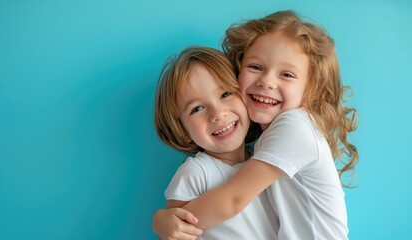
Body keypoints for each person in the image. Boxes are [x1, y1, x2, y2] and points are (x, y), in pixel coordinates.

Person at [153, 10, 358, 240]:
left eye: (287, 74)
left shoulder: (295, 126)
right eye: (256, 67)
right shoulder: (259, 148)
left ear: (310, 88)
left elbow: (233, 200)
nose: (267, 81)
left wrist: (166, 220)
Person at [153, 46, 279, 240]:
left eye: (225, 94)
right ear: (183, 131)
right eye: (197, 108)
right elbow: (174, 232)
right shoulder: (196, 172)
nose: (218, 113)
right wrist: (163, 221)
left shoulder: (266, 154)